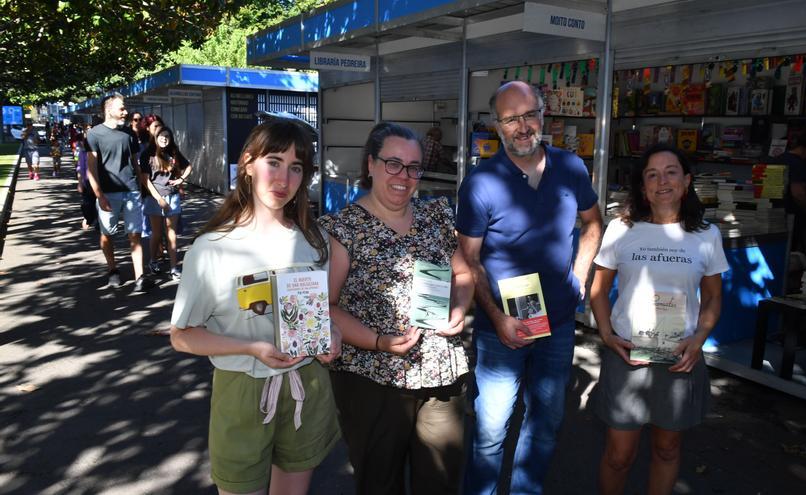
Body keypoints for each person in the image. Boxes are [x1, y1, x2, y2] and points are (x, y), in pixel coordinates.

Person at [169, 118, 341, 495]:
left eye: (296, 167)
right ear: (247, 163)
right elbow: (182, 336)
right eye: (273, 162)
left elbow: (321, 313)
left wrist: (333, 335)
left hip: (307, 383)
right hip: (243, 390)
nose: (283, 179)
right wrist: (250, 348)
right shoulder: (212, 248)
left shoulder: (315, 241)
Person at [456, 80, 603, 495]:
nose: (523, 126)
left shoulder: (571, 167)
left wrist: (579, 276)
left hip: (556, 321)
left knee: (546, 424)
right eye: (511, 118)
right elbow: (470, 258)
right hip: (501, 326)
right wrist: (497, 317)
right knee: (490, 431)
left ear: (543, 115)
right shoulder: (481, 183)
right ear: (496, 126)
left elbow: (594, 223)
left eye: (530, 114)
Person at [319, 122, 474, 495]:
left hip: (440, 371)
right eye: (393, 164)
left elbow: (465, 271)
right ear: (370, 164)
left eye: (413, 167)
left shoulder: (435, 216)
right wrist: (379, 341)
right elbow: (326, 305)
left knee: (440, 481)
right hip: (373, 377)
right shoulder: (344, 228)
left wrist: (459, 307)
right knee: (380, 482)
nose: (404, 176)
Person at [589, 144, 728, 495]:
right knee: (620, 454)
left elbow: (713, 296)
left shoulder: (706, 235)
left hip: (679, 356)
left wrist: (699, 339)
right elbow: (598, 290)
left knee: (667, 449)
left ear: (686, 181)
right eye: (652, 174)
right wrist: (606, 334)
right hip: (627, 355)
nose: (662, 180)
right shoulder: (622, 229)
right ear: (642, 186)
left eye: (670, 172)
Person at [85, 93, 150, 292]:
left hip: (131, 190)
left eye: (125, 108)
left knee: (135, 235)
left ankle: (140, 277)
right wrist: (99, 195)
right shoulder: (94, 134)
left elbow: (135, 163)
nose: (125, 112)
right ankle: (113, 270)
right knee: (107, 234)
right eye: (121, 108)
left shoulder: (130, 134)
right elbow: (92, 167)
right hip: (107, 193)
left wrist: (141, 188)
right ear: (109, 110)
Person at [140, 126, 192, 279]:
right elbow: (145, 180)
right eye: (161, 136)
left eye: (167, 136)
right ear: (155, 137)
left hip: (172, 196)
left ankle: (174, 268)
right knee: (156, 233)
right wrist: (159, 199)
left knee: (171, 234)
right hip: (154, 197)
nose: (164, 138)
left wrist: (181, 180)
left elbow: (188, 166)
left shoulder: (173, 152)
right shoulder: (147, 154)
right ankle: (154, 261)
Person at [779, 127, 806, 269]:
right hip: (791, 220)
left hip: (777, 219)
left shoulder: (780, 158)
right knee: (790, 260)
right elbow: (798, 194)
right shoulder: (797, 164)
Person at [75, 129, 97, 230]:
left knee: (98, 202)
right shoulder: (82, 153)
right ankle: (88, 218)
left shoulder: (99, 152)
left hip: (99, 181)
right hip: (87, 182)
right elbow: (80, 168)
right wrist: (80, 183)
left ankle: (98, 222)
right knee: (87, 204)